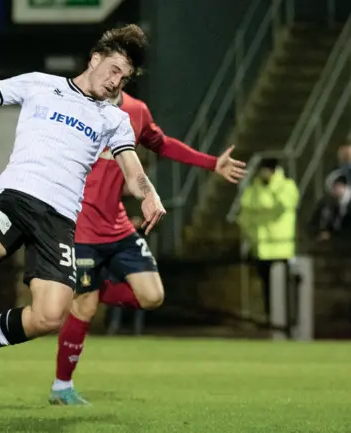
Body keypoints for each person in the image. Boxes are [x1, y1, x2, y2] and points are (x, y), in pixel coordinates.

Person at [0, 24, 166, 394]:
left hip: (59, 220)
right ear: (95, 58)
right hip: (16, 198)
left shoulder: (114, 119)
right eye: (114, 70)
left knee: (50, 316)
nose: (117, 82)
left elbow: (132, 169)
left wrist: (148, 193)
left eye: (126, 77)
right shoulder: (40, 84)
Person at [49, 89, 247, 405]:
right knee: (83, 307)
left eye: (124, 69)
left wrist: (211, 163)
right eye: (112, 66)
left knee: (152, 296)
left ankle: (92, 289)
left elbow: (163, 144)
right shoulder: (71, 108)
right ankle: (61, 387)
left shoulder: (136, 110)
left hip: (117, 226)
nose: (116, 76)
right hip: (81, 229)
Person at [236, 158, 298, 320]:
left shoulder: (286, 186)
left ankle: (288, 320)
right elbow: (245, 216)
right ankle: (272, 319)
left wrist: (274, 187)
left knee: (285, 289)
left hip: (282, 249)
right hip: (261, 249)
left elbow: (285, 205)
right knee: (267, 289)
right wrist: (251, 236)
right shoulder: (253, 190)